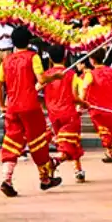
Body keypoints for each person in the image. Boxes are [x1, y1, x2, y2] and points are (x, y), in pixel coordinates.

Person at [0, 26, 60, 197]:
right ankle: (45, 179)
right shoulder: (33, 57)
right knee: (38, 142)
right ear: (29, 41)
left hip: (13, 107)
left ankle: (6, 179)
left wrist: (2, 104)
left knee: (11, 142)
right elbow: (42, 79)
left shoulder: (7, 61)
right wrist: (55, 77)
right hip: (30, 106)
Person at [41, 45, 87, 183]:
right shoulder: (71, 74)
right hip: (69, 114)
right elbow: (74, 96)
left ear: (49, 58)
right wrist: (84, 104)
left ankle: (78, 170)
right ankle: (55, 162)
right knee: (68, 146)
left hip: (53, 115)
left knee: (71, 143)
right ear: (65, 57)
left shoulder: (45, 76)